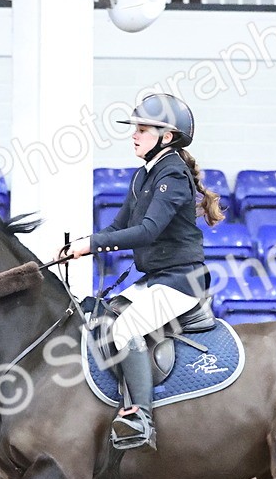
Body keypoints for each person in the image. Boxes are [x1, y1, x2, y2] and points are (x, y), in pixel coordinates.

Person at [65, 93, 225, 451]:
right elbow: (119, 225)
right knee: (101, 318)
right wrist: (79, 244)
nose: (133, 135)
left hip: (181, 283)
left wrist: (91, 245)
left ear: (166, 137)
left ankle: (141, 418)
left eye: (141, 129)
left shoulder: (173, 175)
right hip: (155, 280)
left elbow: (148, 231)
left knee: (124, 329)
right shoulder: (143, 176)